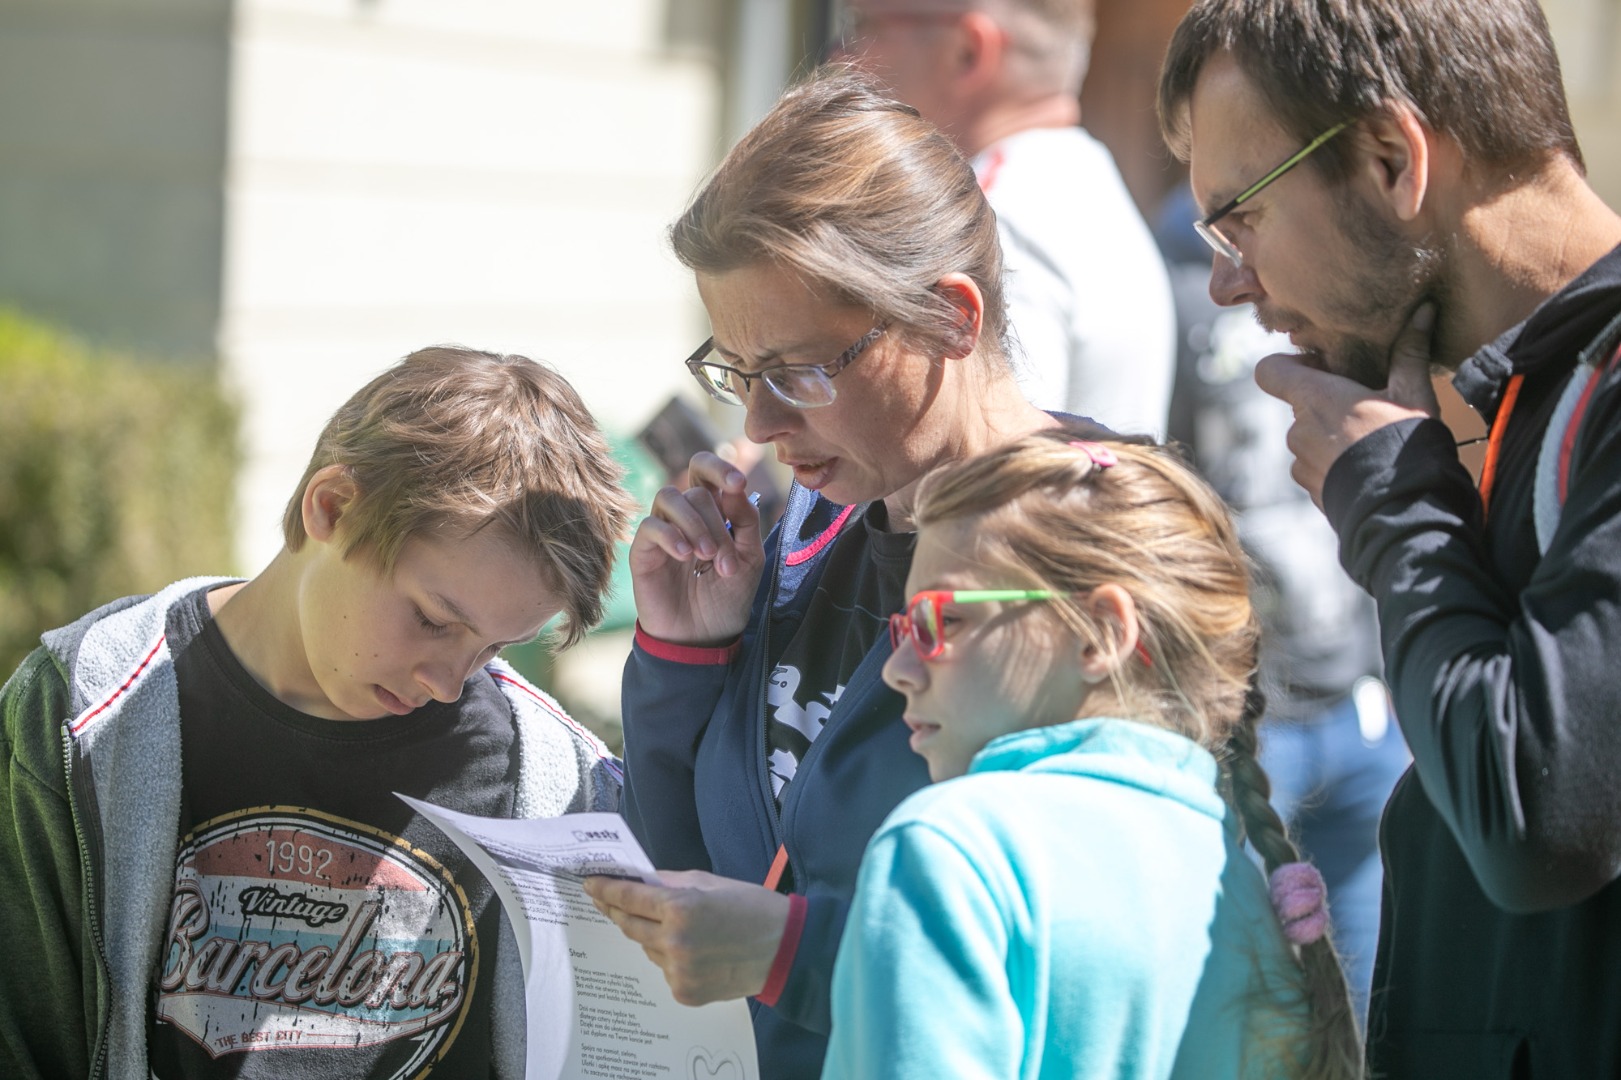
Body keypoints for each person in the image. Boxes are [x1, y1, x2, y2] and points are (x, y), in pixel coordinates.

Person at [1158, 1, 1621, 1074]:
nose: (1229, 283)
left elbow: (1535, 815)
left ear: (1387, 157)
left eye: (1240, 219)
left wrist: (1396, 502)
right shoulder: (1540, 392)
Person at [582, 68, 1067, 1079]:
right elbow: (690, 873)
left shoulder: (1096, 546)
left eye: (798, 371)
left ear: (949, 319)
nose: (756, 425)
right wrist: (682, 657)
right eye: (736, 371)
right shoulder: (798, 528)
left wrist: (789, 954)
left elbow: (1092, 955)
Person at [0, 346, 638, 1079]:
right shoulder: (82, 712)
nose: (448, 682)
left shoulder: (562, 789)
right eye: (432, 620)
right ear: (332, 508)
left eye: (495, 647)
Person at [822, 432, 1360, 1079]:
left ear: (1101, 633)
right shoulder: (1243, 892)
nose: (898, 669)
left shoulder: (952, 849)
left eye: (940, 621)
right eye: (901, 628)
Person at [1154, 180, 1409, 1025]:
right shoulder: (1175, 291)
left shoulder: (1345, 302)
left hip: (1362, 705)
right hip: (1251, 718)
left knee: (1369, 996)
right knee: (1245, 1005)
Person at [832, 0, 1177, 437]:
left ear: (968, 52)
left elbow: (991, 460)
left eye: (863, 26)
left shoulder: (990, 220)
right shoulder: (1076, 184)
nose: (841, 56)